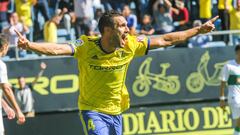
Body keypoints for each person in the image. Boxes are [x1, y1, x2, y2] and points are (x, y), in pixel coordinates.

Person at [15, 10, 218, 135]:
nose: (128, 29)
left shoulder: (130, 45)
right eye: (121, 25)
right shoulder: (86, 46)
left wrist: (198, 30)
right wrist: (30, 45)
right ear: (107, 31)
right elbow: (58, 49)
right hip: (92, 110)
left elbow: (166, 39)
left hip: (117, 110)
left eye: (126, 24)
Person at [0, 34, 25, 134]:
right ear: (4, 47)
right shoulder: (1, 65)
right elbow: (6, 89)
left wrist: (5, 106)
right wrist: (18, 111)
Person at [220, 44, 240, 135]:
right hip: (234, 98)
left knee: (239, 124)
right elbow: (222, 83)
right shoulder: (229, 65)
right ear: (236, 53)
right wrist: (222, 99)